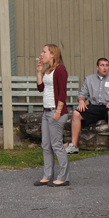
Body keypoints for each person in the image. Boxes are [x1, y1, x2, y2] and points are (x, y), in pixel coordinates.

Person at [66, 57, 109, 156]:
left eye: (107, 65)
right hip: (95, 106)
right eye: (102, 65)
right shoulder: (89, 79)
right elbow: (82, 94)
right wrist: (81, 101)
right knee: (76, 113)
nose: (105, 68)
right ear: (97, 67)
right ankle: (73, 146)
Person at [34, 43, 70, 187]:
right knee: (46, 145)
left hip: (56, 111)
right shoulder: (49, 70)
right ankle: (47, 175)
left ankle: (63, 177)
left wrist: (58, 111)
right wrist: (39, 72)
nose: (41, 54)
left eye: (44, 52)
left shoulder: (60, 70)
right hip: (46, 111)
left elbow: (62, 92)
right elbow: (41, 88)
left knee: (56, 145)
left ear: (52, 54)